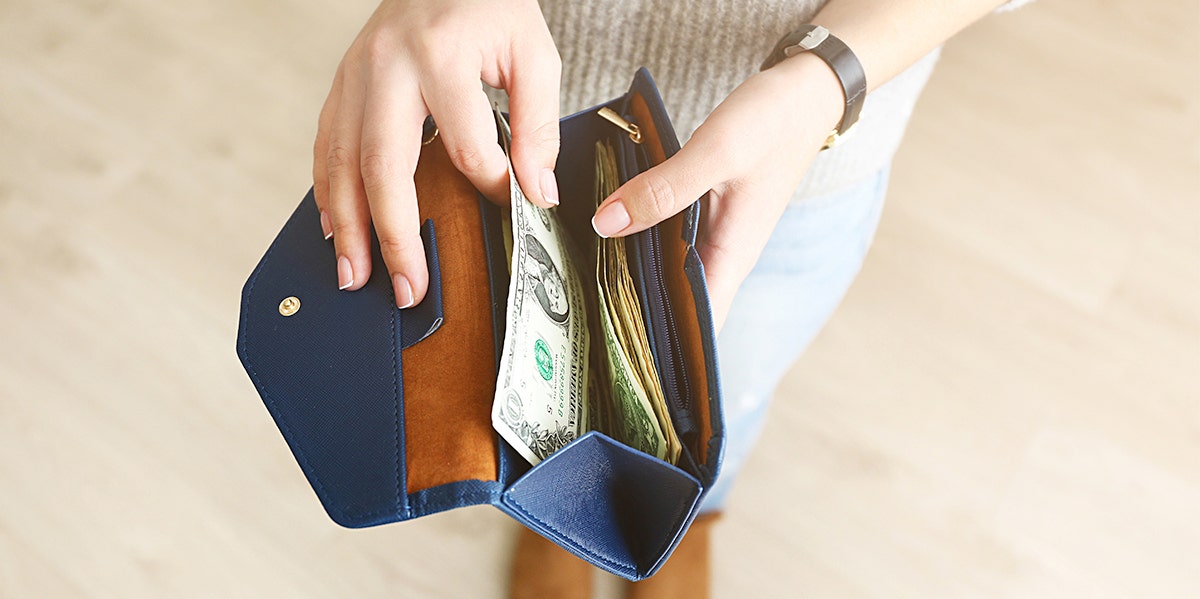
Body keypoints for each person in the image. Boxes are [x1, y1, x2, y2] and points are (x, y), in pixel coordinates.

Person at [312, 1, 1024, 596]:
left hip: (795, 158)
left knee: (722, 401)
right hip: (505, 118)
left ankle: (686, 513)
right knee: (511, 377)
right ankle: (559, 513)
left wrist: (827, 75)